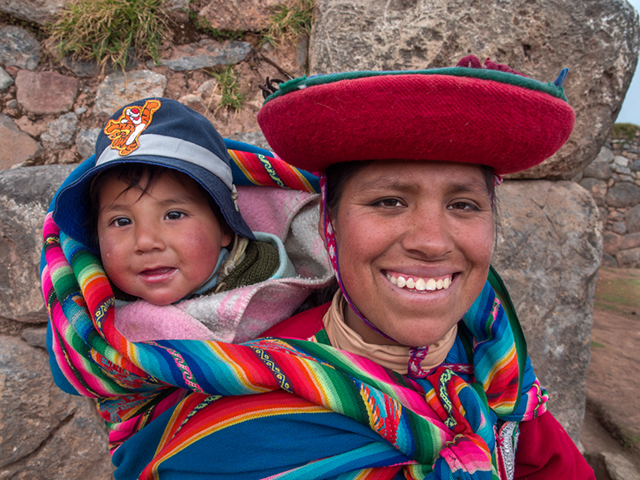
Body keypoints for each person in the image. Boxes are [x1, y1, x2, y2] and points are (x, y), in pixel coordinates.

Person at [42, 57, 595, 479]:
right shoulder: (234, 414)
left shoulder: (498, 367)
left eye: (464, 205)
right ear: (328, 228)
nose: (431, 241)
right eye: (388, 202)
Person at [49, 97, 308, 343]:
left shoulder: (264, 275)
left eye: (173, 215)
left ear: (225, 226)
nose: (146, 241)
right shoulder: (91, 306)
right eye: (121, 221)